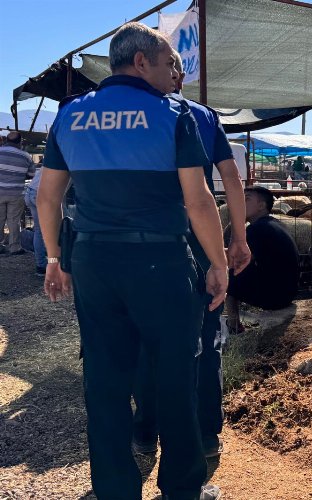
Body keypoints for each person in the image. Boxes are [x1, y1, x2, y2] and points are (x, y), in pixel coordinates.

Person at [37, 22, 226, 500]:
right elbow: (199, 201)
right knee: (176, 374)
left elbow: (47, 196)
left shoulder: (71, 114)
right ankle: (183, 489)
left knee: (104, 378)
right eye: (167, 65)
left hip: (94, 260)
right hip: (159, 260)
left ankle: (115, 490)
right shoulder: (172, 115)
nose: (172, 76)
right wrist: (218, 263)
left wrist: (55, 257)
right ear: (141, 62)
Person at [132, 48, 252, 460]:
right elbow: (231, 178)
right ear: (178, 78)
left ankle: (145, 432)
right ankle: (205, 436)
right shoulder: (202, 115)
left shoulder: (126, 115)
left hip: (143, 244)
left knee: (147, 341)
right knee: (205, 340)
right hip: (199, 243)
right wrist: (238, 237)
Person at [225, 186, 299, 314]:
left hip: (274, 298)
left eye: (246, 199)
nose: (240, 203)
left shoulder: (256, 229)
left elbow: (236, 259)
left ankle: (233, 325)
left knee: (228, 274)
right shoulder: (274, 224)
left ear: (261, 206)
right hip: (288, 294)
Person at [0, 131, 35, 255]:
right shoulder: (25, 156)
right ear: (20, 142)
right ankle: (14, 247)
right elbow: (31, 174)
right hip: (16, 192)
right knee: (13, 221)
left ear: (6, 140)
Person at [24, 157, 47, 275]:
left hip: (30, 192)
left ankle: (41, 265)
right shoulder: (69, 160)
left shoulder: (52, 158)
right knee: (52, 230)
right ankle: (55, 263)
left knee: (39, 231)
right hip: (42, 194)